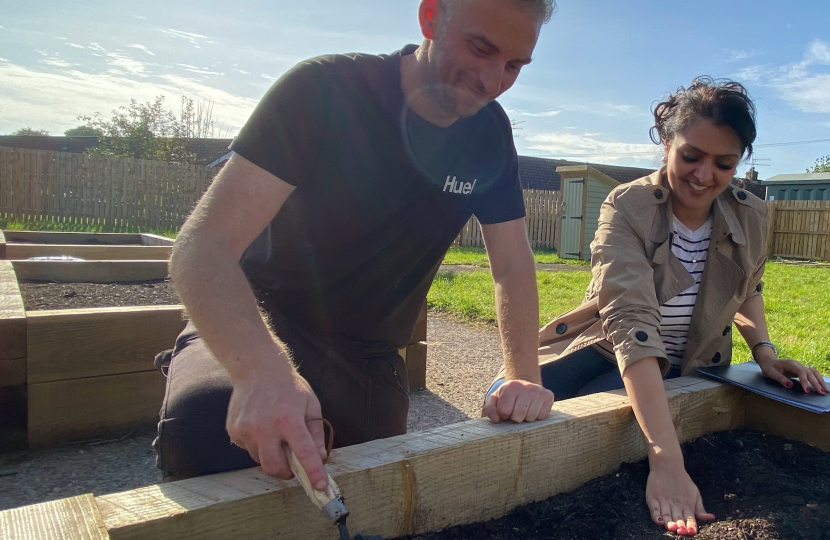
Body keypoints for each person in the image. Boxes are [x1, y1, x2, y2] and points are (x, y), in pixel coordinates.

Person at [154, 0, 557, 491]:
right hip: (264, 319)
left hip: (371, 353)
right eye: (480, 49)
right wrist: (262, 372)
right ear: (431, 16)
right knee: (207, 423)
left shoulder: (490, 135)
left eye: (514, 65)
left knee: (375, 486)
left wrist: (522, 374)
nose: (493, 82)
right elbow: (203, 246)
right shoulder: (323, 90)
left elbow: (512, 264)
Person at [485, 77, 829, 536]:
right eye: (691, 156)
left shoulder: (752, 214)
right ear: (666, 142)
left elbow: (748, 287)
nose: (704, 175)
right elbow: (629, 322)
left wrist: (764, 353)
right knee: (504, 402)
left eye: (724, 163)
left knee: (586, 437)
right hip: (611, 344)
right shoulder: (627, 205)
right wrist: (667, 460)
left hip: (685, 364)